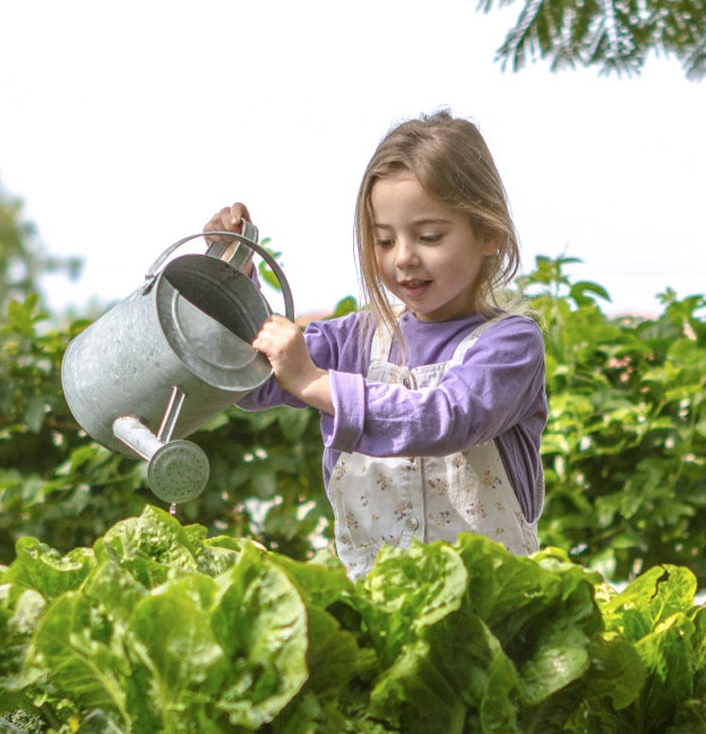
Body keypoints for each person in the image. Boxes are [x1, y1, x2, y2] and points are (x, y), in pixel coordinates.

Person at [205, 110, 546, 577]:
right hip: (373, 602)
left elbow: (445, 418)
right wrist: (232, 273)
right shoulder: (355, 340)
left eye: (428, 236)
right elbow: (252, 377)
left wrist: (314, 383)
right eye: (384, 241)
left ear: (488, 233)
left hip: (490, 604)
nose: (403, 257)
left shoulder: (511, 345)